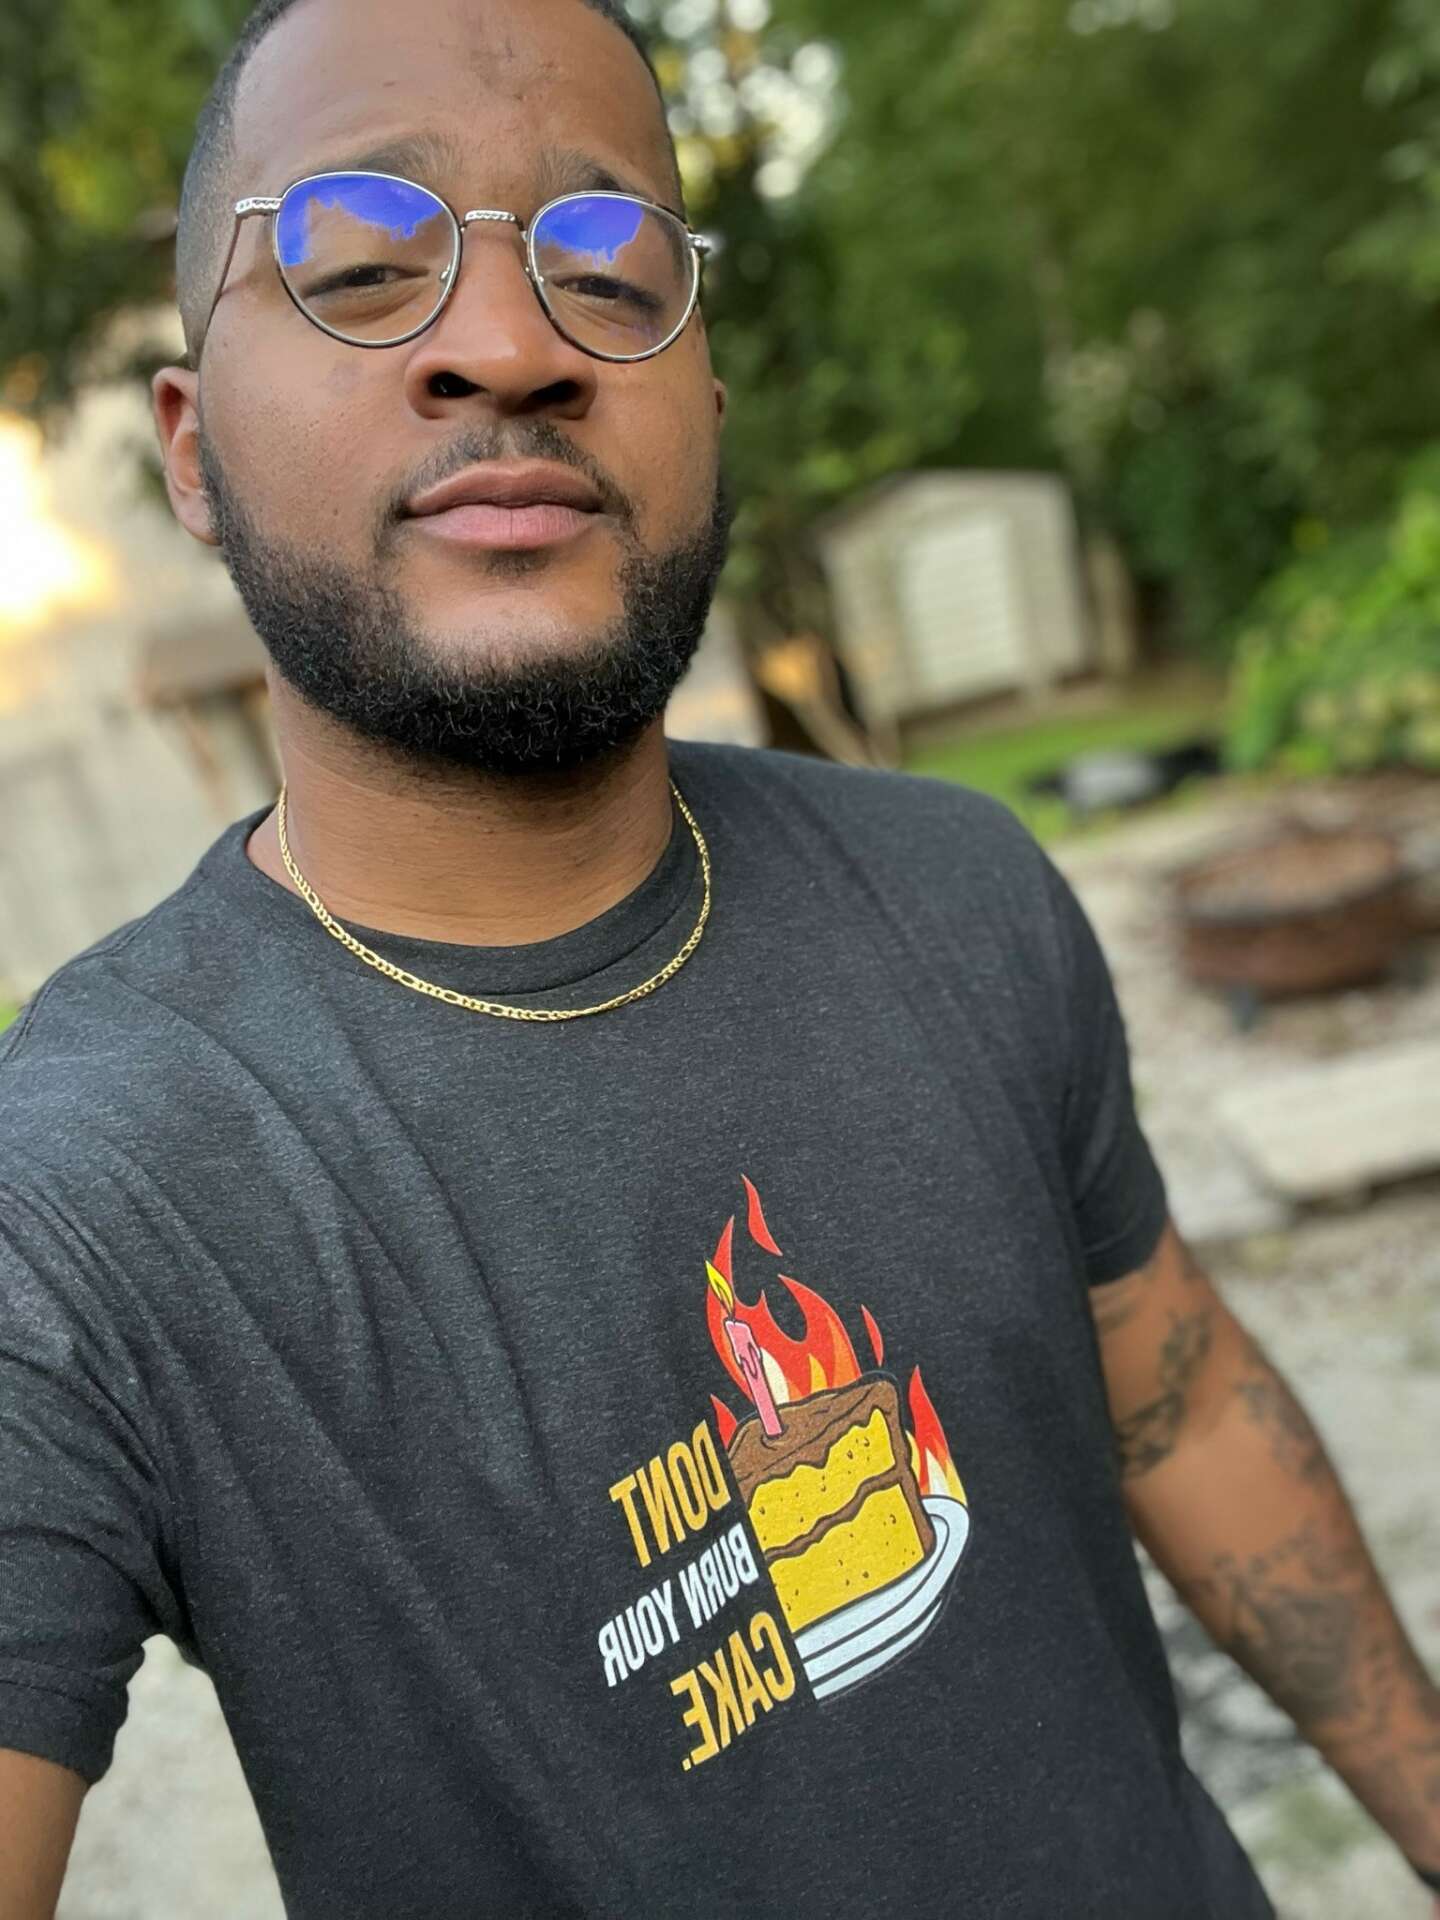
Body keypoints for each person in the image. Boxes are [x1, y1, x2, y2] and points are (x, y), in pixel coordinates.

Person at [1, 0, 1437, 1913]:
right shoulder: (77, 1202)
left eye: (611, 267)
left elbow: (1174, 1398)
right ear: (191, 453)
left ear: (709, 407)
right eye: (358, 263)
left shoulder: (960, 889)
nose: (513, 342)